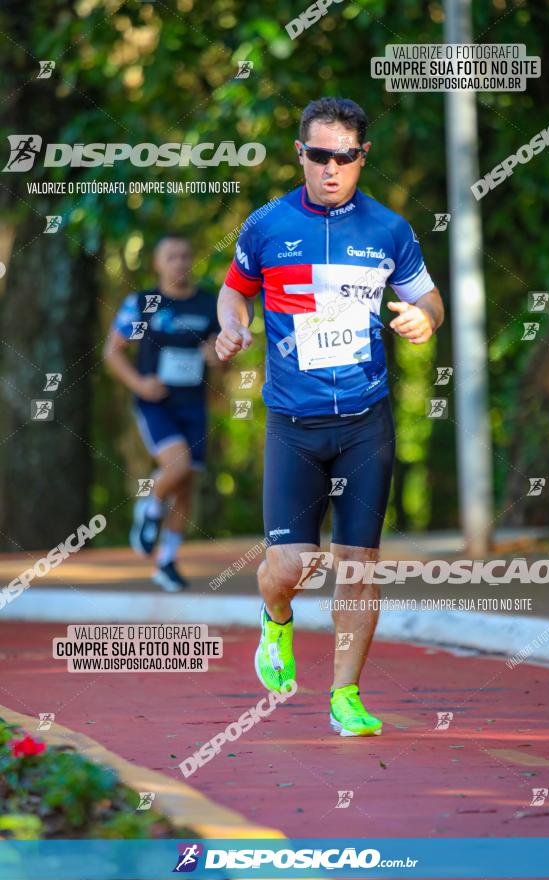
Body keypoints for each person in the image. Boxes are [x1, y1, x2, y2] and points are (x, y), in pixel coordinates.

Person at [216, 97, 444, 736]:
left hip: (366, 421)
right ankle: (276, 620)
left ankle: (346, 695)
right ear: (301, 154)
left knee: (358, 565)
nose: (332, 168)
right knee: (292, 566)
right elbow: (234, 291)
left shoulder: (388, 230)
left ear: (362, 156)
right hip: (294, 423)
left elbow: (426, 295)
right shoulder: (266, 225)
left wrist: (426, 317)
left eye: (345, 156)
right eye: (319, 155)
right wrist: (232, 327)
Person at [104, 235, 219, 592]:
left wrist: (219, 354)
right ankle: (150, 509)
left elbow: (220, 353)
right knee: (177, 465)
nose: (180, 263)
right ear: (157, 263)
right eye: (171, 257)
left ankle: (166, 561)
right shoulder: (143, 303)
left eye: (185, 256)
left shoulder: (208, 304)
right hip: (156, 403)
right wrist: (139, 384)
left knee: (185, 485)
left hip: (194, 404)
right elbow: (113, 351)